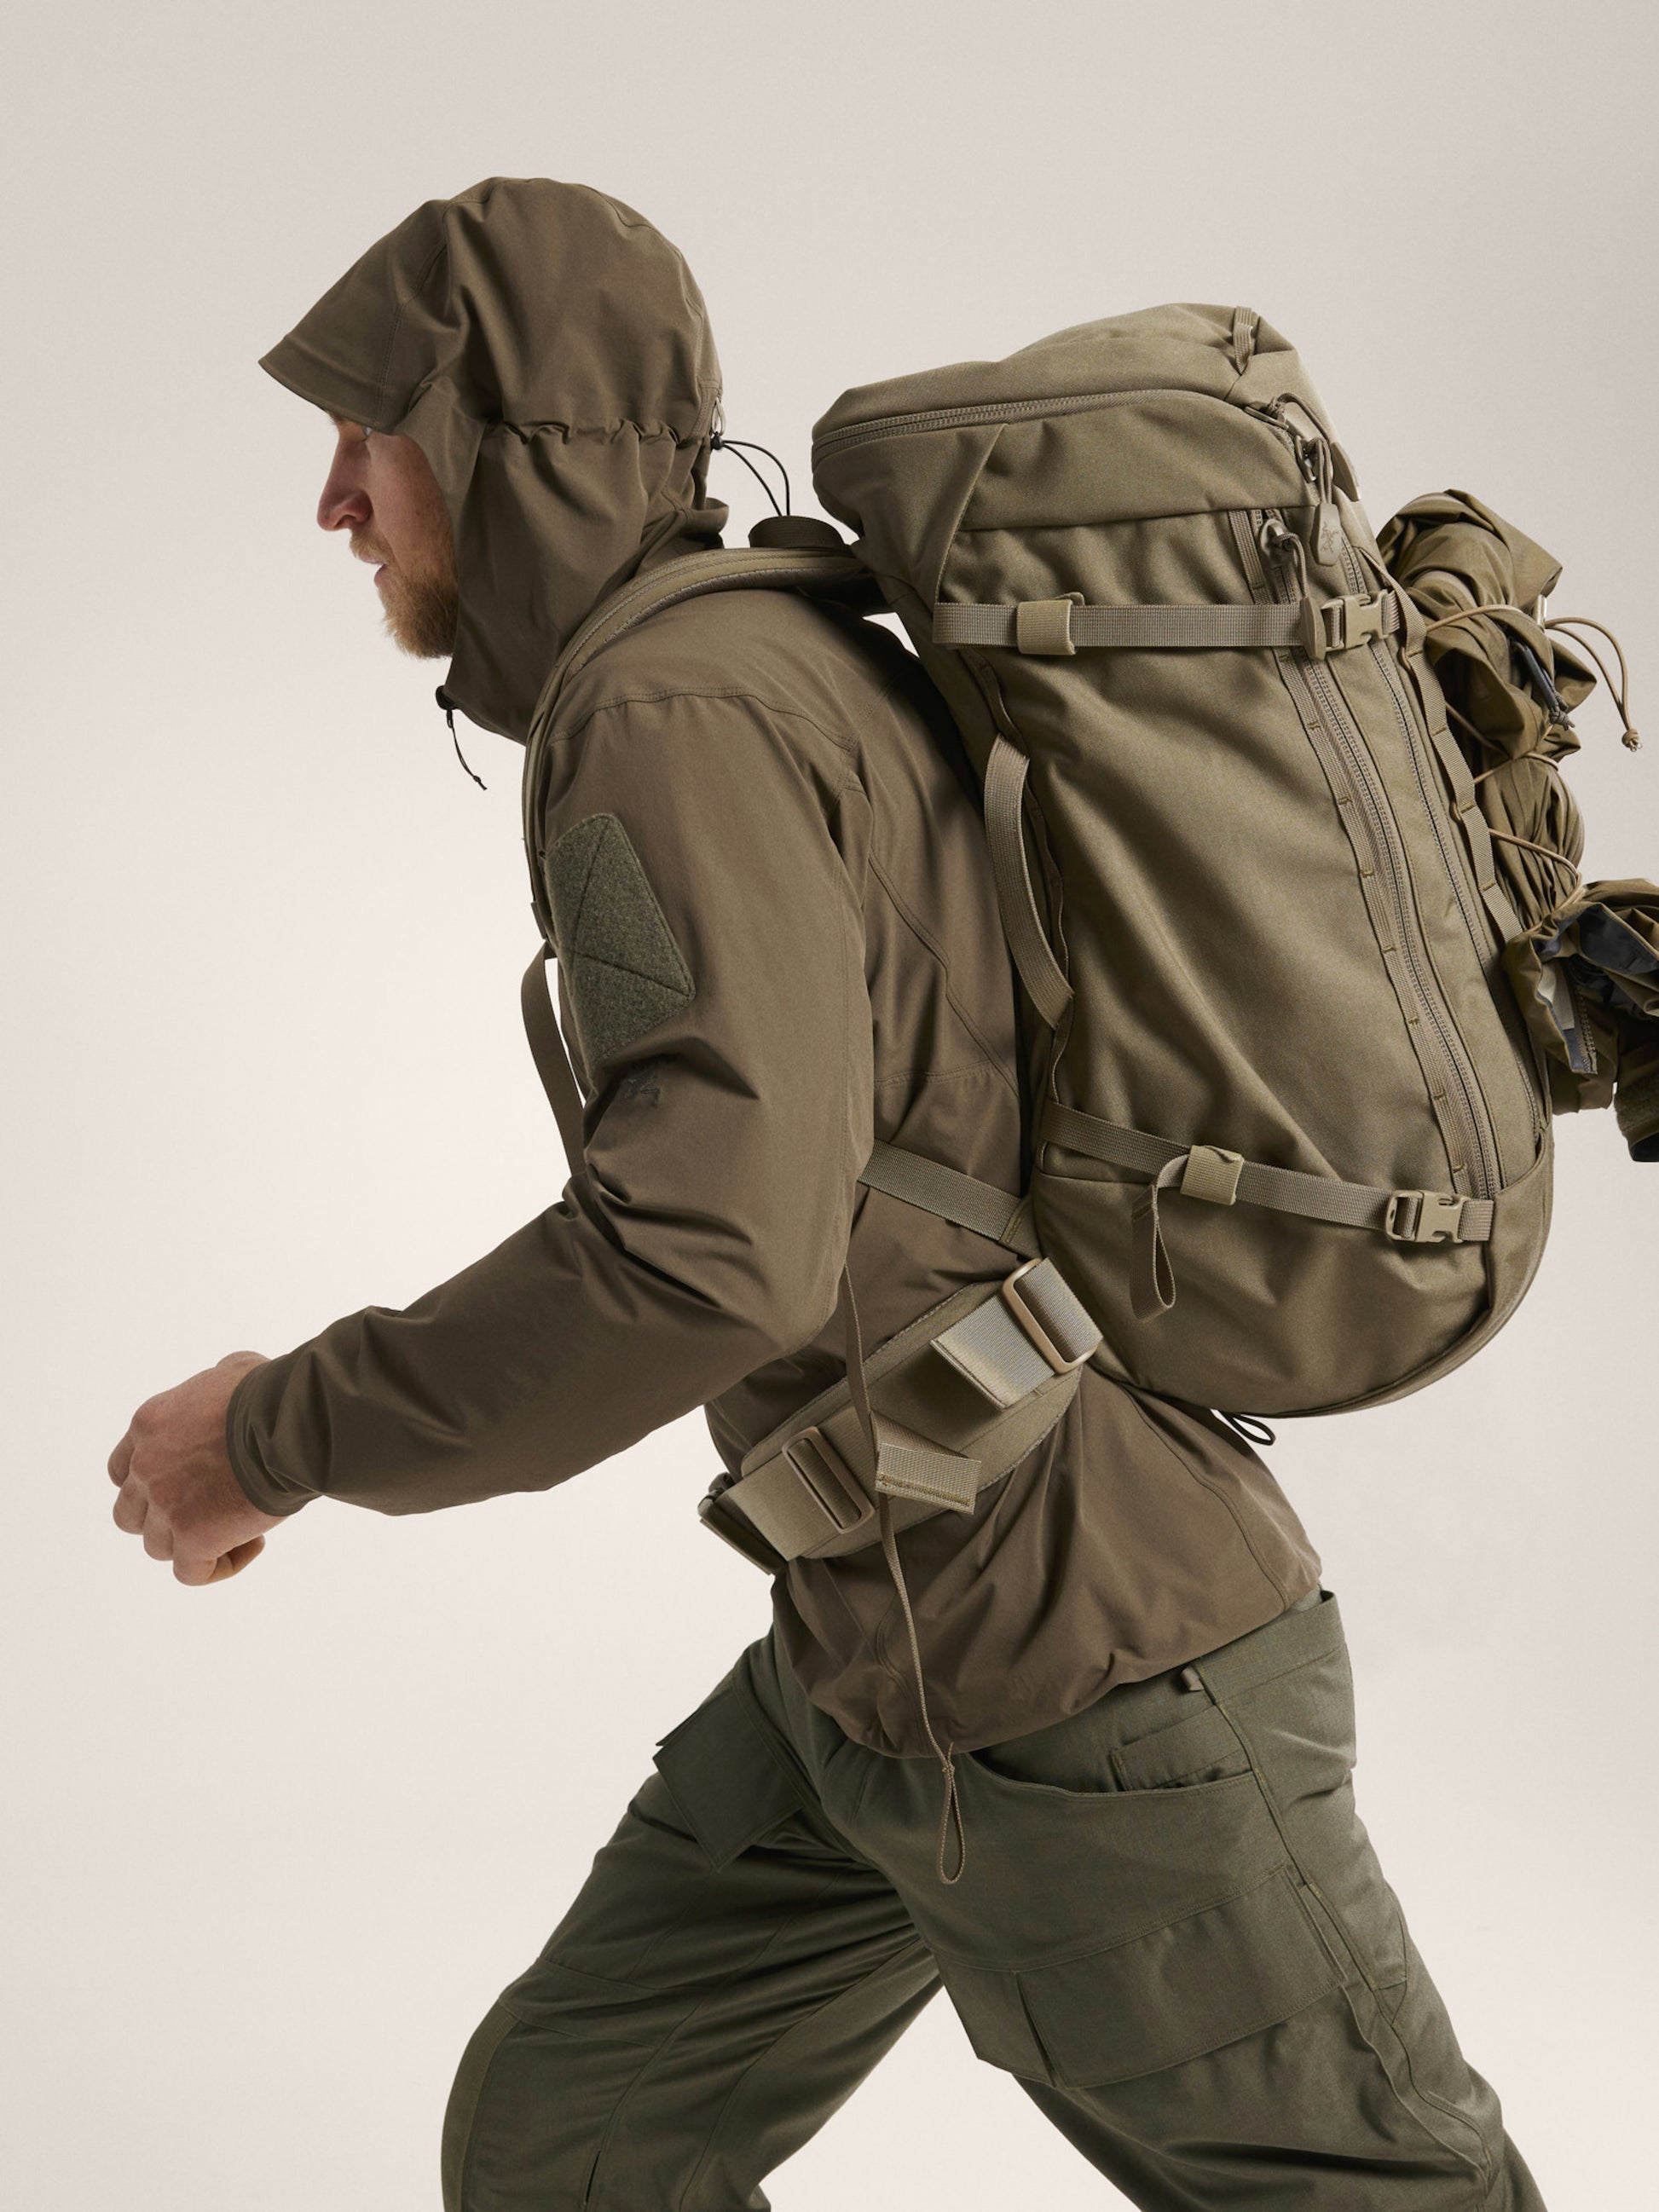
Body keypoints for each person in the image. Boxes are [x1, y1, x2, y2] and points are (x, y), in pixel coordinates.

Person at [107, 176, 1547, 2210]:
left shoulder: (669, 713)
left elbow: (705, 1250)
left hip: (1085, 1673)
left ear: (516, 444)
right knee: (576, 2137)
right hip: (883, 1639)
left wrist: (272, 1432)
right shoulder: (760, 658)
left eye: (373, 434)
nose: (336, 500)